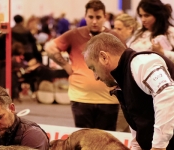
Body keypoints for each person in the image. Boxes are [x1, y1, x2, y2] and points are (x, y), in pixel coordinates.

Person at [44, 1, 120, 131]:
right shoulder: (74, 34)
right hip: (81, 98)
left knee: (106, 144)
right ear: (85, 16)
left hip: (109, 99)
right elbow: (49, 47)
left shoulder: (114, 37)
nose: (94, 21)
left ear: (105, 17)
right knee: (83, 143)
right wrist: (67, 67)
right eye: (91, 17)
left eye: (98, 17)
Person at [129, 0, 174, 69]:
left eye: (147, 15)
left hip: (160, 76)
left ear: (157, 15)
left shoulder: (171, 32)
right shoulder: (139, 32)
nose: (143, 19)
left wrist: (162, 52)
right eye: (141, 15)